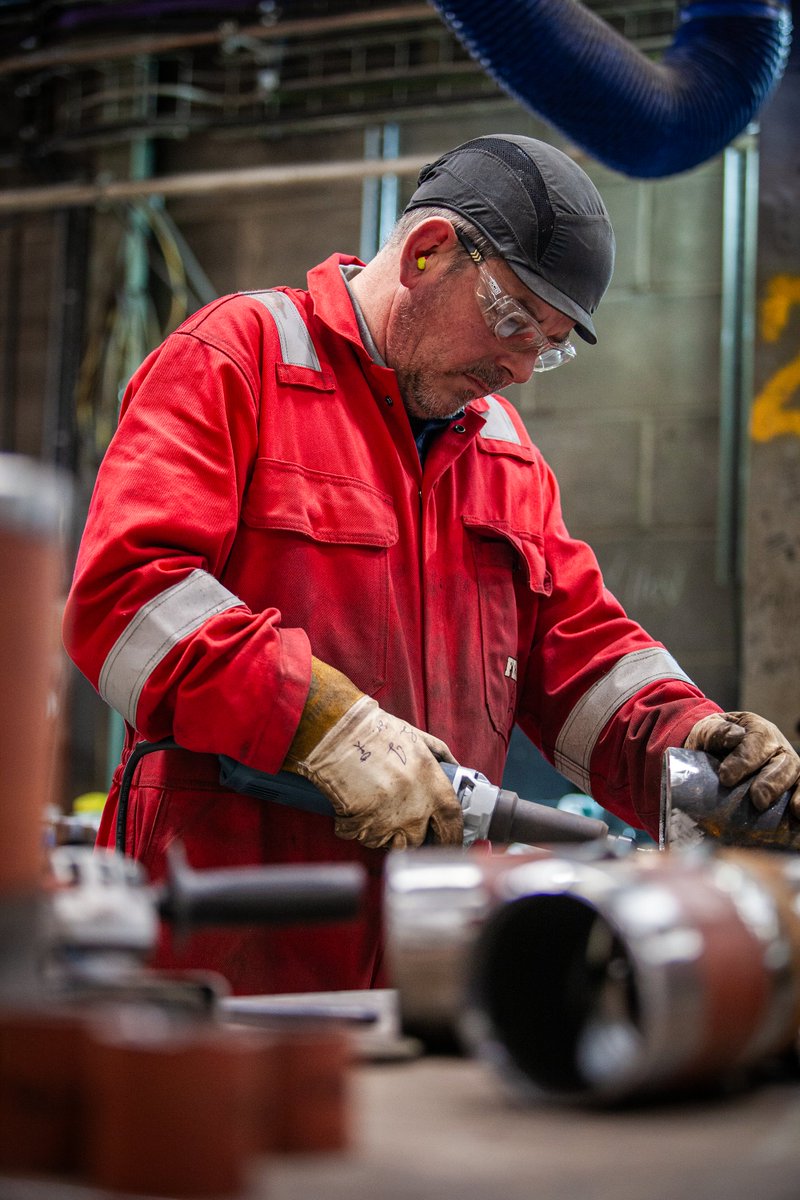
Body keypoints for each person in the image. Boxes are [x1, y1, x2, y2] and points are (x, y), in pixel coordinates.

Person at [63, 134, 800, 995]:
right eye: (515, 320)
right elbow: (126, 597)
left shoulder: (503, 453)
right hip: (227, 937)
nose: (521, 368)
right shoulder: (239, 359)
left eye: (547, 345)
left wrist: (699, 753)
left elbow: (584, 664)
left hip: (427, 954)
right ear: (425, 252)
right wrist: (318, 719)